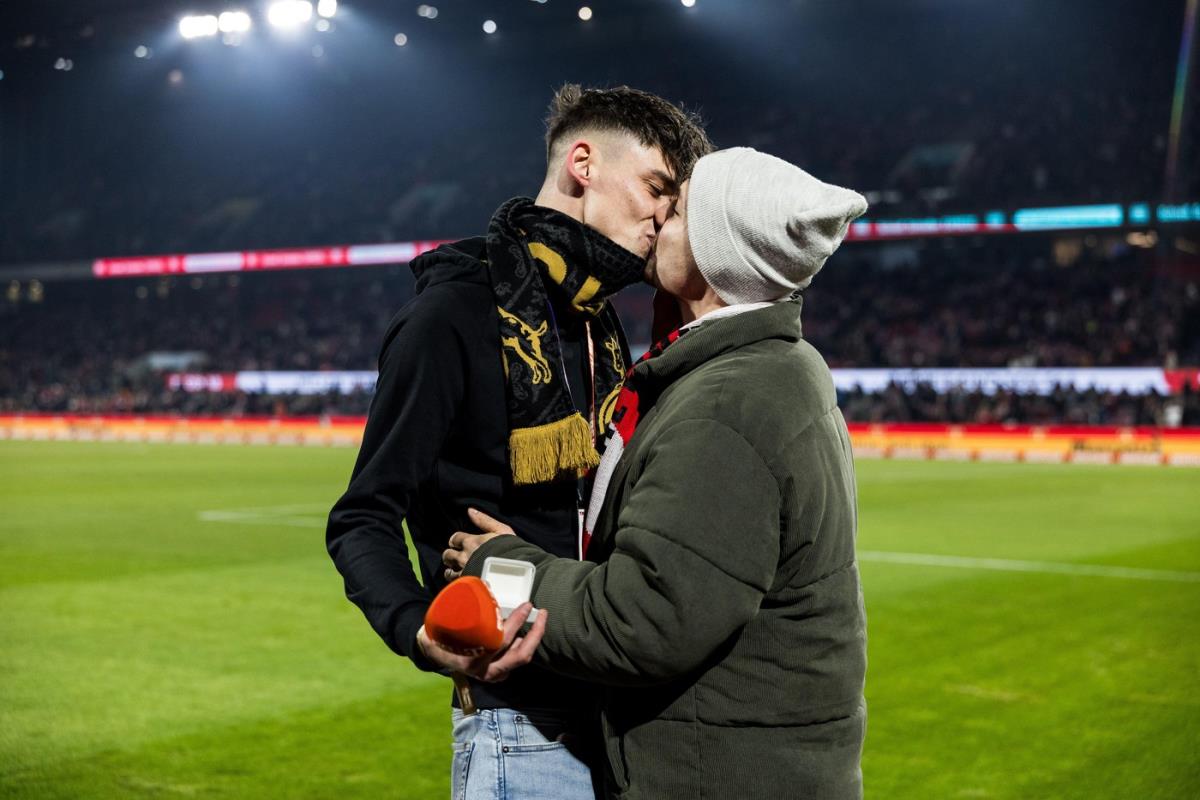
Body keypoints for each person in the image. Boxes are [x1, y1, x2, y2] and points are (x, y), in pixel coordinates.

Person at [444, 147, 870, 799]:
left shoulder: (729, 404)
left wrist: (506, 566)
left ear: (715, 251)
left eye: (680, 212)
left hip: (716, 778)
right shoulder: (773, 366)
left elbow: (643, 620)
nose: (659, 218)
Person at [325, 84, 712, 800]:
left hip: (619, 718)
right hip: (523, 729)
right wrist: (419, 631)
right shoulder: (452, 314)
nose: (663, 216)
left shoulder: (597, 320)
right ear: (583, 164)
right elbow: (362, 516)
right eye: (656, 188)